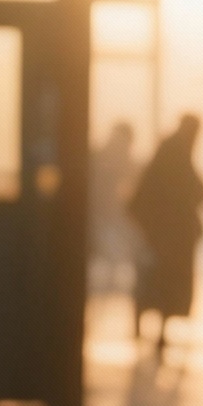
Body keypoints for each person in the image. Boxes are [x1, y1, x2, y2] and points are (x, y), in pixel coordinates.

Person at [128, 114, 203, 356]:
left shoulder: (172, 151)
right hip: (168, 233)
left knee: (157, 279)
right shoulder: (176, 153)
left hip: (161, 232)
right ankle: (157, 328)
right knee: (164, 280)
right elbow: (189, 188)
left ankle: (150, 324)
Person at [89, 121, 138, 296]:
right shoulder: (100, 159)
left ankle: (110, 279)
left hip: (110, 215)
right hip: (103, 214)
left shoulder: (110, 159)